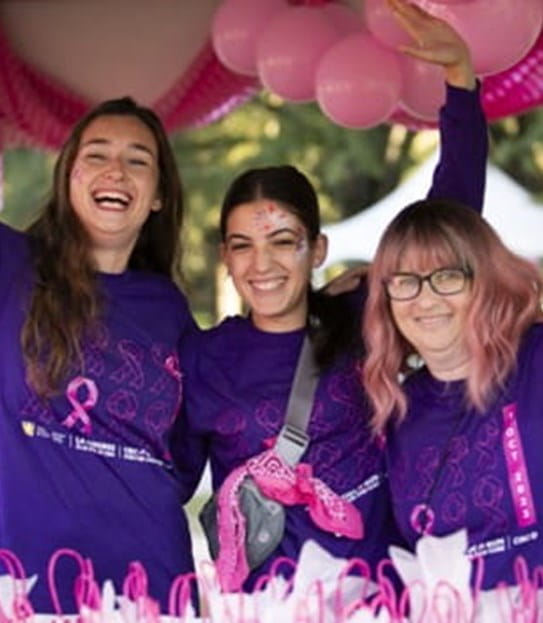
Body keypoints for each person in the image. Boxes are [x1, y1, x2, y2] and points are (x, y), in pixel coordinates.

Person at [178, 0, 488, 591]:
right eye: (242, 245)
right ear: (225, 257)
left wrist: (459, 82)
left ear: (317, 250)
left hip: (375, 595)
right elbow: (163, 484)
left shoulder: (362, 315)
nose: (262, 264)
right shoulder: (203, 357)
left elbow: (448, 228)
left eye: (283, 241)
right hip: (266, 605)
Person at [0, 97, 197, 611]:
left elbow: (186, 454)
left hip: (150, 585)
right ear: (67, 176)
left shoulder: (169, 309)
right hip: (25, 582)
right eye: (97, 154)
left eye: (138, 159)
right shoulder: (12, 265)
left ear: (157, 195)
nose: (116, 170)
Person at [362, 198, 543, 588]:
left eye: (446, 276)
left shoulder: (536, 360)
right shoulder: (396, 413)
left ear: (485, 279)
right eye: (406, 281)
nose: (426, 299)